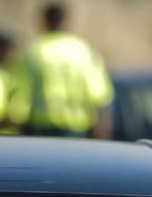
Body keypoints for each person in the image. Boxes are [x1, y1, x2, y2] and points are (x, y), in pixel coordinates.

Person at [9, 2, 114, 138]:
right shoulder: (81, 50)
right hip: (76, 129)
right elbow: (98, 94)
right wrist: (102, 127)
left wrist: (16, 124)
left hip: (40, 129)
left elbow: (21, 95)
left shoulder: (33, 52)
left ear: (43, 21)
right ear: (64, 21)